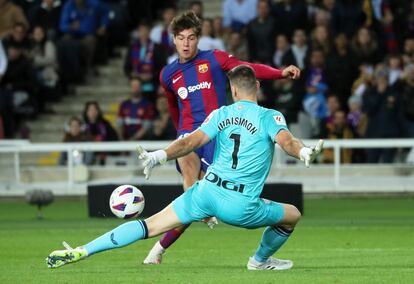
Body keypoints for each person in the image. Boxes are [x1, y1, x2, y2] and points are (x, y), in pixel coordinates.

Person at [46, 64, 323, 270]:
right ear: (258, 87)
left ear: (234, 90)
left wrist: (159, 156)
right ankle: (259, 261)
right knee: (292, 214)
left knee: (149, 225)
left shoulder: (220, 114)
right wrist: (304, 151)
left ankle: (83, 250)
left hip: (205, 192)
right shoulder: (269, 116)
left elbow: (190, 141)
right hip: (239, 204)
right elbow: (286, 141)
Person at [147, 10, 300, 265]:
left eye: (192, 38)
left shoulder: (215, 60)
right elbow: (174, 107)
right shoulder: (167, 74)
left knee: (198, 197)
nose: (186, 43)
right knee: (189, 177)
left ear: (198, 39)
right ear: (173, 40)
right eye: (181, 38)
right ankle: (160, 246)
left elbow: (246, 70)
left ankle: (158, 249)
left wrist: (278, 73)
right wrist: (180, 137)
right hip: (189, 135)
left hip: (216, 134)